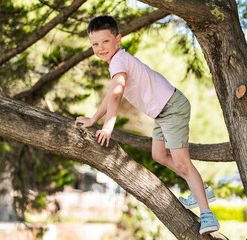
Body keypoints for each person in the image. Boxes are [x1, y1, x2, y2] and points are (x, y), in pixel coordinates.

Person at [74, 15, 219, 235]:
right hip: (163, 112)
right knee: (159, 155)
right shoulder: (117, 61)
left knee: (182, 164)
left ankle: (207, 215)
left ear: (118, 39)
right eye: (95, 44)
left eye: (105, 41)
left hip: (172, 108)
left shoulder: (118, 61)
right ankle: (202, 190)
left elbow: (116, 95)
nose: (100, 47)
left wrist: (108, 126)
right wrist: (94, 119)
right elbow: (111, 94)